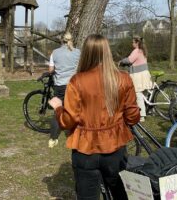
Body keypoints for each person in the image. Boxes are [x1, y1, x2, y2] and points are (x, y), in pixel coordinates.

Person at [49, 34, 140, 200]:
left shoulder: (77, 81)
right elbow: (133, 117)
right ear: (107, 52)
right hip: (115, 148)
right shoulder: (123, 79)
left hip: (85, 150)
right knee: (120, 194)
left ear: (86, 53)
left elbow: (68, 120)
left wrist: (58, 108)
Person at [48, 32, 81, 148]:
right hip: (73, 85)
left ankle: (53, 138)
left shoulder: (55, 53)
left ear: (61, 41)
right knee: (74, 109)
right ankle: (73, 132)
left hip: (59, 85)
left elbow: (51, 69)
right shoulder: (77, 52)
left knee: (58, 110)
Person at [119, 36, 152, 122]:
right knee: (143, 93)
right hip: (144, 74)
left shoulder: (136, 51)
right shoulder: (143, 51)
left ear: (137, 43)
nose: (132, 44)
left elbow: (129, 60)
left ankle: (142, 115)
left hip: (138, 75)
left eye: (133, 42)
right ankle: (149, 109)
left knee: (138, 94)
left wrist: (121, 61)